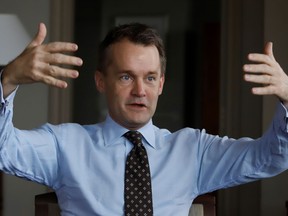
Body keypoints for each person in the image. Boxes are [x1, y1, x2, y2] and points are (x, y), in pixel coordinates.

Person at [0, 22, 288, 216]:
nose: (140, 91)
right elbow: (5, 150)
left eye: (149, 78)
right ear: (101, 81)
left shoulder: (194, 150)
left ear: (161, 84)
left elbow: (270, 157)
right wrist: (8, 80)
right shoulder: (64, 145)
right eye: (126, 77)